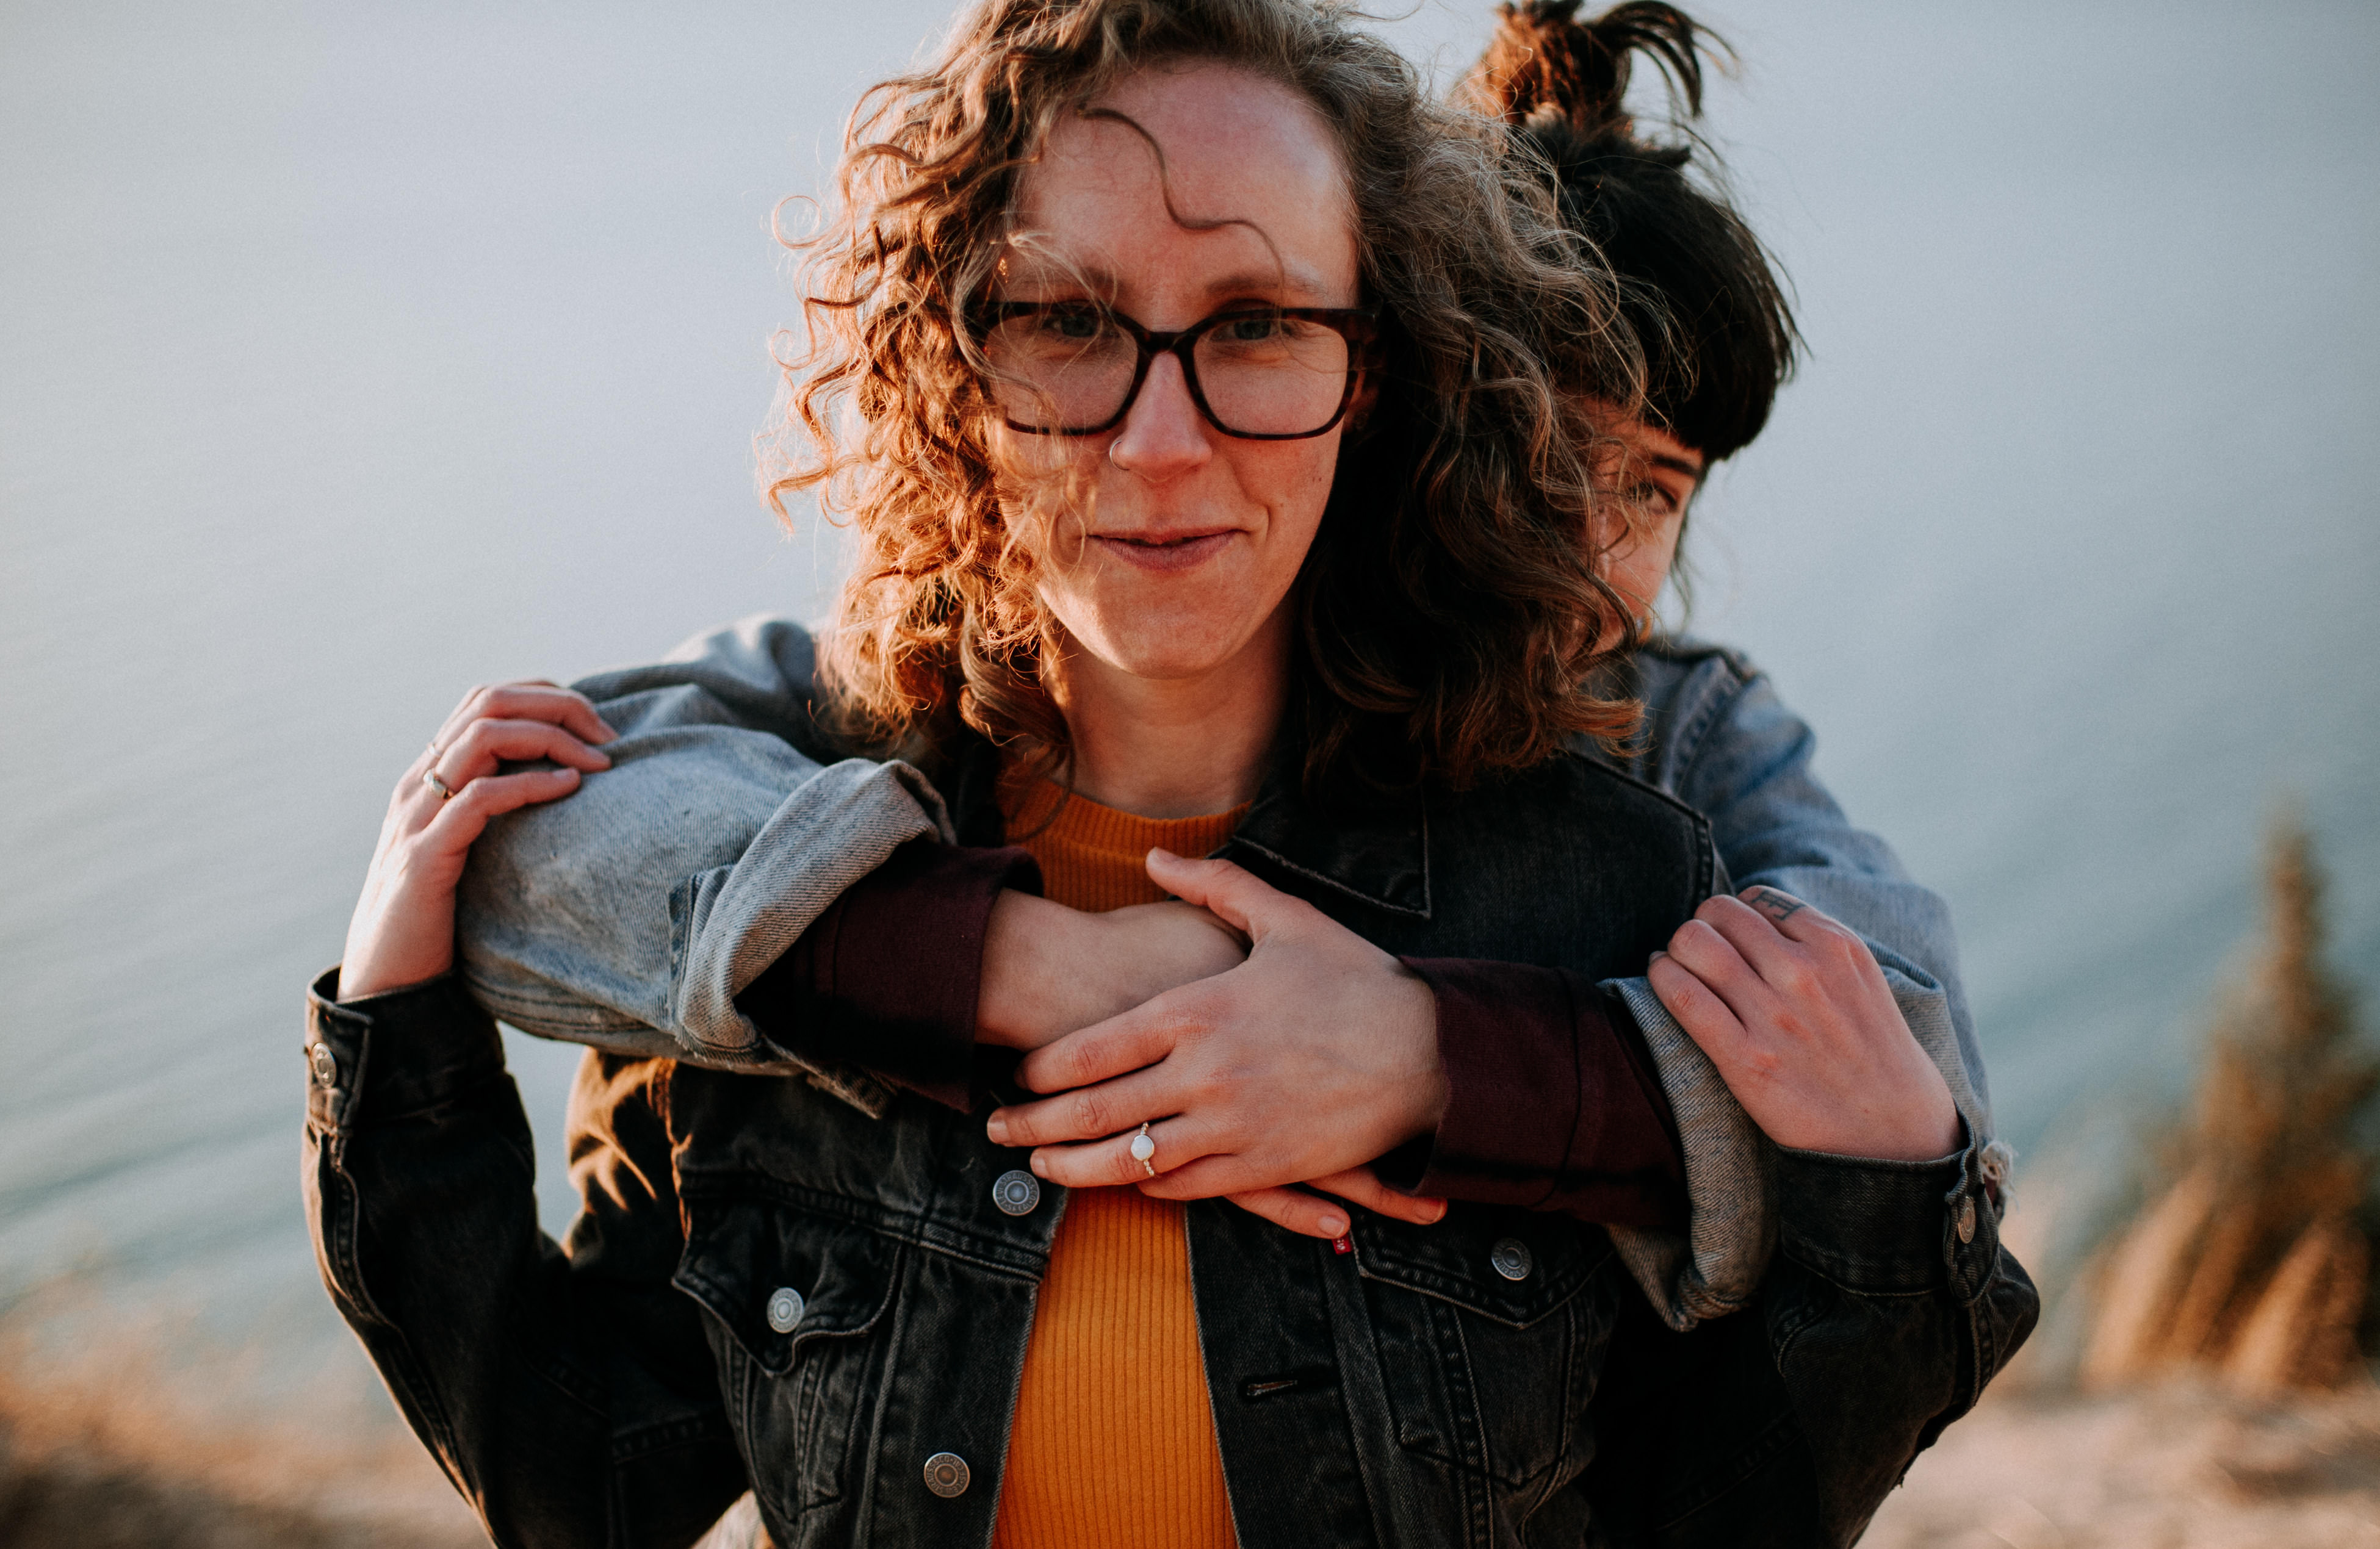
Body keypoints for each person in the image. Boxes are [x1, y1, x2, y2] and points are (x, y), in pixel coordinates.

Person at [310, 2, 2031, 1545]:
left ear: (1380, 377)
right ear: (947, 370)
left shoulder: (1613, 871)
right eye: (1064, 319)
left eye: (1258, 324)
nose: (1156, 438)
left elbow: (1742, 1450)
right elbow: (584, 1477)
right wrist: (406, 1032)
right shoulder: (768, 867)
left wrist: (1442, 1060)